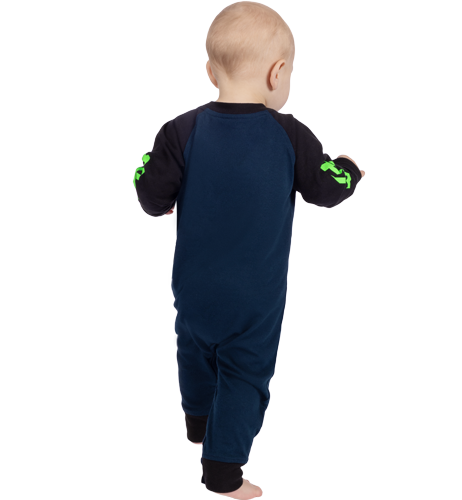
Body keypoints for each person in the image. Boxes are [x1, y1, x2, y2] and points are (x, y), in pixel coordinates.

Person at [133, 2, 365, 498]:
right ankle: (223, 476)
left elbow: (151, 196)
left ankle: (198, 428)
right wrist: (349, 166)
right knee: (244, 376)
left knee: (195, 352)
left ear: (211, 71)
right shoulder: (289, 134)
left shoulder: (181, 130)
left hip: (192, 288)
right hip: (254, 299)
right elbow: (327, 189)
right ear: (277, 73)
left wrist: (148, 173)